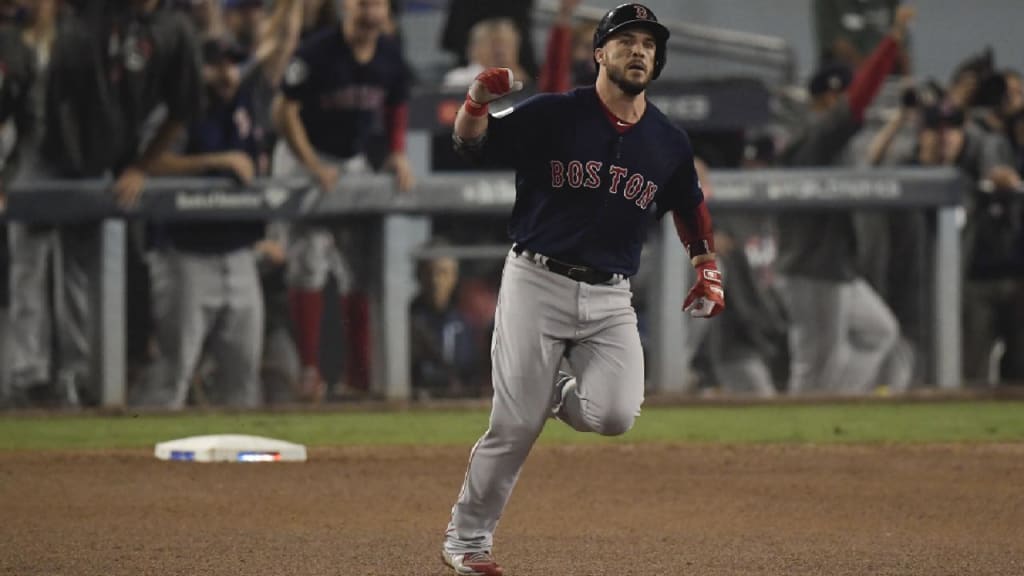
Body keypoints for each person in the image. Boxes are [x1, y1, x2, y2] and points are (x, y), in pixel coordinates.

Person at [439, 5, 725, 574]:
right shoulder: (554, 114)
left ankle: (548, 388)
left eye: (648, 43)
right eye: (626, 41)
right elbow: (472, 144)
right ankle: (467, 542)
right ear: (599, 53)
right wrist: (474, 102)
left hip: (611, 296)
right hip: (536, 280)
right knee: (514, 425)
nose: (639, 51)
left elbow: (689, 204)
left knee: (616, 413)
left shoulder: (667, 139)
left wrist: (706, 264)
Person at [272, 0, 414, 401]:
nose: (370, 13)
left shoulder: (388, 52)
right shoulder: (316, 51)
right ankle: (308, 372)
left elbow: (397, 102)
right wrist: (312, 164)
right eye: (363, 4)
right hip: (303, 156)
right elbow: (283, 112)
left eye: (376, 6)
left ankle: (359, 377)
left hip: (349, 160)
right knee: (307, 263)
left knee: (361, 266)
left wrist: (397, 151)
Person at [774, 6, 914, 396]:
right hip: (811, 267)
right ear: (827, 97)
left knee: (878, 332)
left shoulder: (828, 142)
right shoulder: (817, 135)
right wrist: (892, 42)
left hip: (835, 266)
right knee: (816, 364)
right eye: (840, 95)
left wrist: (897, 122)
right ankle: (796, 437)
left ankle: (839, 405)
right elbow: (858, 98)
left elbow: (865, 157)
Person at [136, 38, 266, 409]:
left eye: (232, 64)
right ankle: (141, 462)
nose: (227, 73)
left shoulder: (246, 102)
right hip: (184, 254)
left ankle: (243, 467)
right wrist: (218, 161)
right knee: (172, 374)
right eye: (216, 64)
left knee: (243, 376)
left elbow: (276, 51)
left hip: (238, 252)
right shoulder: (178, 106)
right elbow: (150, 163)